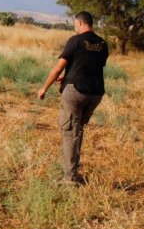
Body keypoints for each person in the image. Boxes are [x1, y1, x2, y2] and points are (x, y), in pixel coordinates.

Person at [37, 11, 108, 184]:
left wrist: (44, 88)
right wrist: (68, 77)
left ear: (80, 23)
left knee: (70, 132)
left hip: (76, 92)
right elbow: (88, 65)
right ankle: (73, 170)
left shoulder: (75, 41)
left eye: (75, 24)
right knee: (77, 131)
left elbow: (57, 68)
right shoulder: (102, 43)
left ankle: (70, 178)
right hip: (95, 94)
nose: (74, 27)